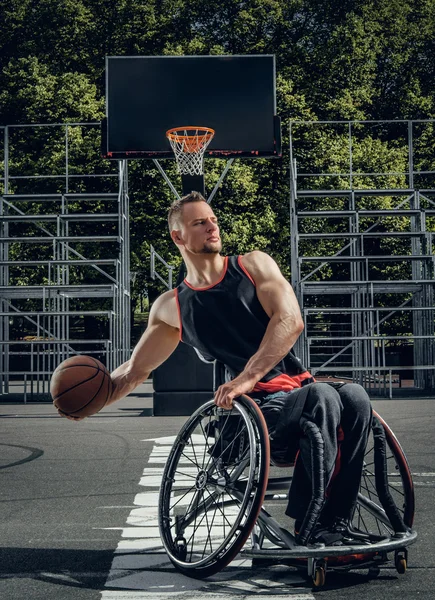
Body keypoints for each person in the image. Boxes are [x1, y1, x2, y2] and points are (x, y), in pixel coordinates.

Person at [62, 191, 372, 545]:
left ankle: (336, 522)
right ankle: (311, 524)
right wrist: (89, 403)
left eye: (213, 220)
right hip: (252, 414)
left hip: (294, 395)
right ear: (178, 237)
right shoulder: (172, 306)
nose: (212, 227)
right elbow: (134, 370)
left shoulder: (253, 265)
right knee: (322, 396)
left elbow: (290, 320)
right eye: (199, 223)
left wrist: (246, 377)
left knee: (354, 396)